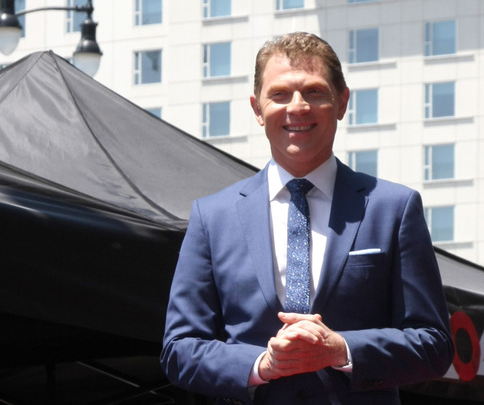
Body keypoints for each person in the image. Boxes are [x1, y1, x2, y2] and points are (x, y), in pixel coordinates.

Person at [161, 32, 453, 405]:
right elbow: (179, 350)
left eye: (314, 92)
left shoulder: (393, 208)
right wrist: (263, 364)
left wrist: (340, 349)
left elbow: (435, 345)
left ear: (342, 101)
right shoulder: (212, 217)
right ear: (256, 108)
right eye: (279, 94)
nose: (297, 107)